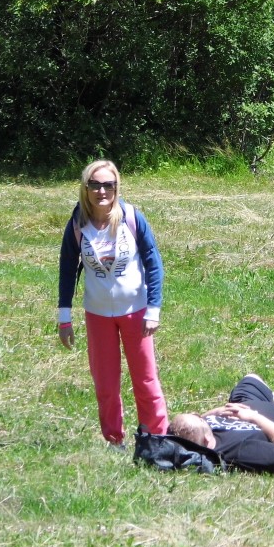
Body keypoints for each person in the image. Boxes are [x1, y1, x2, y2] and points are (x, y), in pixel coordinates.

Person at [57, 159, 168, 448]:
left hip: (136, 312)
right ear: (85, 188)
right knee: (105, 384)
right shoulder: (78, 224)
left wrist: (153, 309)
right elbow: (67, 269)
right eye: (95, 185)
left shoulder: (132, 217)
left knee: (146, 380)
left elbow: (154, 263)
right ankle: (114, 440)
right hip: (97, 314)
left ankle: (156, 438)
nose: (102, 191)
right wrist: (64, 318)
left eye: (108, 185)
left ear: (117, 187)